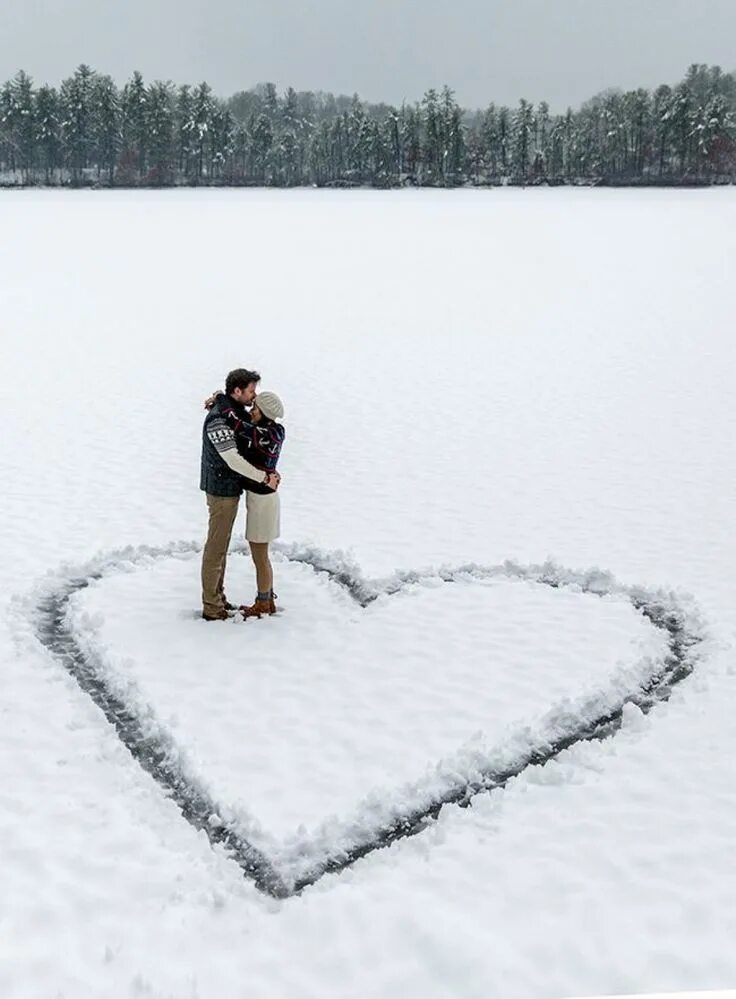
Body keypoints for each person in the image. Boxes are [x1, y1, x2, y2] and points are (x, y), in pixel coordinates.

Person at [200, 369, 280, 621]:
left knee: (221, 547)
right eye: (251, 392)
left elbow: (248, 426)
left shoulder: (232, 410)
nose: (253, 398)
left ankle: (218, 598)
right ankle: (212, 606)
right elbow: (233, 459)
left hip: (230, 488)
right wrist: (265, 477)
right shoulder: (219, 420)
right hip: (221, 490)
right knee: (216, 548)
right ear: (237, 391)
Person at [220, 390, 285, 619]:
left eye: (255, 408)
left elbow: (236, 423)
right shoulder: (275, 430)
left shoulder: (263, 434)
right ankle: (267, 597)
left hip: (262, 502)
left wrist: (220, 398)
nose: (251, 410)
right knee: (261, 555)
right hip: (265, 498)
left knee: (260, 556)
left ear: (265, 414)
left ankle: (264, 602)